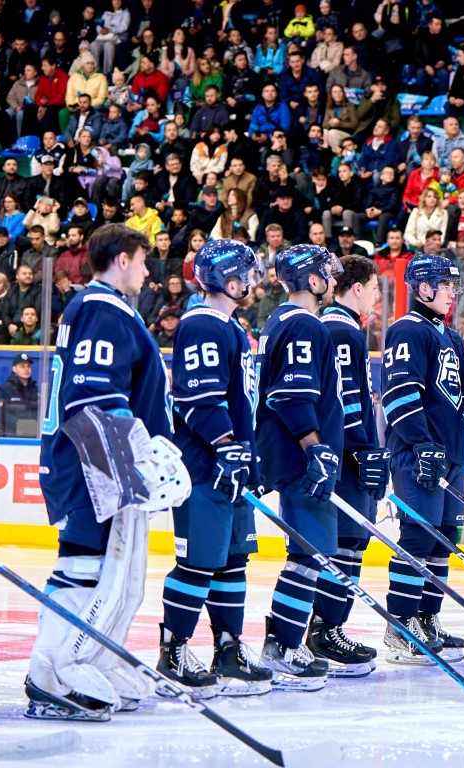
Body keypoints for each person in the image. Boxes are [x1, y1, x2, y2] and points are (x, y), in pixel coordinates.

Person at [27, 224, 190, 721]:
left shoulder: (101, 309)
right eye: (142, 260)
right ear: (121, 259)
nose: (147, 270)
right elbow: (94, 395)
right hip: (89, 464)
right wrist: (132, 459)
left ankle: (92, 655)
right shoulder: (104, 309)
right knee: (86, 569)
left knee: (117, 573)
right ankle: (51, 671)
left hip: (94, 462)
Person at [159, 239, 274, 698]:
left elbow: (238, 401)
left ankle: (227, 648)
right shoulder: (203, 324)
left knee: (231, 560)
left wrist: (249, 455)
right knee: (197, 563)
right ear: (229, 280)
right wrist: (226, 445)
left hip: (230, 466)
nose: (253, 280)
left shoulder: (229, 326)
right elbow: (197, 396)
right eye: (246, 273)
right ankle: (173, 652)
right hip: (205, 468)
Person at [380, 255, 464, 662]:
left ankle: (427, 618)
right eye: (445, 284)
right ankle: (400, 625)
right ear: (423, 288)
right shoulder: (407, 330)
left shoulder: (451, 337)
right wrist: (420, 442)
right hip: (417, 452)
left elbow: (453, 391)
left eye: (453, 285)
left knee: (444, 539)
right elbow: (398, 393)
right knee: (417, 537)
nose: (452, 292)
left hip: (449, 452)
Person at [255, 244, 344, 690]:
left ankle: (284, 642)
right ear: (311, 280)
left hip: (287, 450)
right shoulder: (306, 323)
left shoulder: (279, 320)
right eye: (327, 273)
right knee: (308, 553)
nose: (332, 279)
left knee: (308, 553)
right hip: (298, 454)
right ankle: (285, 646)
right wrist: (315, 447)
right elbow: (290, 393)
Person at [307, 254, 388, 676]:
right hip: (345, 457)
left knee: (351, 543)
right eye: (375, 288)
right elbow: (342, 401)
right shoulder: (341, 329)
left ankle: (328, 628)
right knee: (344, 543)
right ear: (356, 288)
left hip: (347, 454)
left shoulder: (345, 327)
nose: (377, 297)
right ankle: (324, 630)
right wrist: (361, 449)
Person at [0, 352, 39, 437]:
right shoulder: (5, 390)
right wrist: (23, 425)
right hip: (11, 437)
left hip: (33, 436)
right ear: (14, 369)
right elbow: (2, 416)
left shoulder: (35, 389)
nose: (26, 369)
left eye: (28, 366)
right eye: (22, 366)